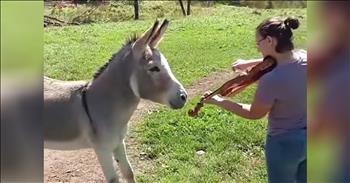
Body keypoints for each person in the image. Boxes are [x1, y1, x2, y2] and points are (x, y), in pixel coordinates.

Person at [203, 17, 307, 183]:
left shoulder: (272, 79)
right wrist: (248, 63)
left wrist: (219, 101)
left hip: (284, 145)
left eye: (258, 43)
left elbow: (254, 113)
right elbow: (280, 59)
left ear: (269, 40)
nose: (258, 47)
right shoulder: (305, 58)